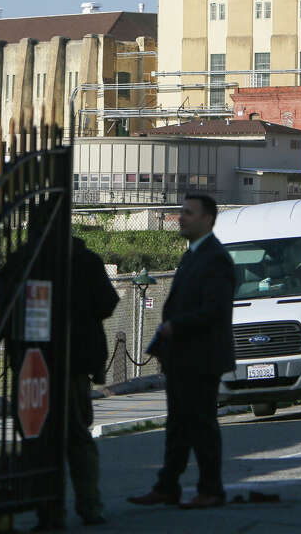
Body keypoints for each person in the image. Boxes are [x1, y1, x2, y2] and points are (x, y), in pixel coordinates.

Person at [127, 193, 235, 510]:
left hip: (202, 357)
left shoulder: (215, 258)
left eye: (189, 213)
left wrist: (176, 326)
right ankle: (167, 485)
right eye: (181, 212)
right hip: (183, 358)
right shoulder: (192, 255)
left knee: (201, 423)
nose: (182, 217)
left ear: (208, 220)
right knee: (178, 424)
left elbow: (214, 309)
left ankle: (211, 489)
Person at [36, 236, 120, 530]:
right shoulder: (85, 260)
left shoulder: (32, 258)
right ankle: (89, 506)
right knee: (77, 436)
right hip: (74, 361)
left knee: (41, 439)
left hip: (34, 363)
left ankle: (48, 512)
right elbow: (108, 302)